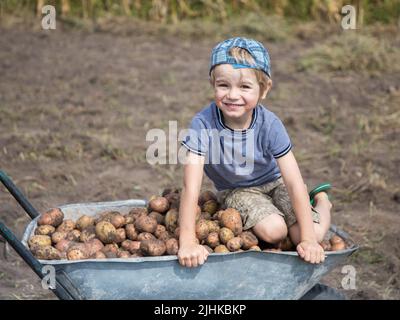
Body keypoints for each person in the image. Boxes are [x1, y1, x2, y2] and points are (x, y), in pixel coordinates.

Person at [178, 37, 332, 268]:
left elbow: (293, 182)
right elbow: (191, 185)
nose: (232, 95)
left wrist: (310, 240)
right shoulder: (203, 123)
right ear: (213, 84)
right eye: (223, 85)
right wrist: (188, 240)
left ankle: (322, 202)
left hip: (275, 183)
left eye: (245, 87)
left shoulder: (270, 124)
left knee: (310, 234)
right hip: (237, 190)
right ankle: (288, 218)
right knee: (275, 231)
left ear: (264, 89)